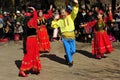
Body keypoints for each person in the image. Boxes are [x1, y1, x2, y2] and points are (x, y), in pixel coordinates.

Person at [51, 0, 79, 67]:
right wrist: (55, 19)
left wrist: (76, 4)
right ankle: (70, 61)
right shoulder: (60, 21)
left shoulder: (71, 17)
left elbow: (75, 12)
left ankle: (67, 56)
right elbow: (53, 25)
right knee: (68, 50)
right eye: (61, 13)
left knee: (73, 50)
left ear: (66, 12)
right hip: (65, 39)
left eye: (63, 12)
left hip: (72, 37)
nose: (62, 14)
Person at [19, 7, 42, 77]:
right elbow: (35, 17)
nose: (32, 14)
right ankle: (22, 70)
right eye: (30, 12)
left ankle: (35, 68)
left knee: (34, 54)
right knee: (29, 55)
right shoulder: (31, 21)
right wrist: (34, 10)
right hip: (31, 40)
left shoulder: (29, 21)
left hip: (32, 40)